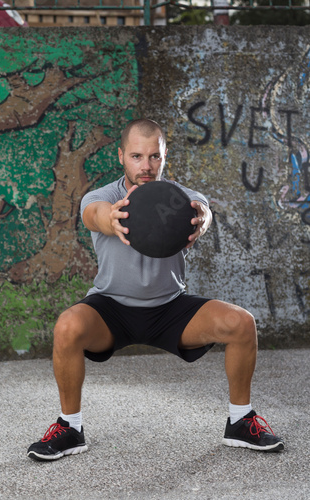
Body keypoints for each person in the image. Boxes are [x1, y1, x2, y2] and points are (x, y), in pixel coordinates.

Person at [27, 118, 284, 461]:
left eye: (154, 157)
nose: (145, 166)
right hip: (112, 309)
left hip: (170, 308)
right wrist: (112, 218)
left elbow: (201, 211)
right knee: (67, 326)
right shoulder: (104, 196)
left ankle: (240, 421)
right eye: (136, 156)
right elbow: (94, 215)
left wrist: (203, 218)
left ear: (164, 157)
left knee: (241, 323)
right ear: (121, 156)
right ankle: (70, 428)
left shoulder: (181, 198)